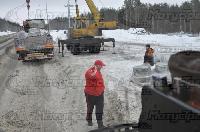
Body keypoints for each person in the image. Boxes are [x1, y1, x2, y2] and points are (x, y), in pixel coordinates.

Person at [84, 60, 106, 128]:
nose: (102, 67)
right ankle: (89, 119)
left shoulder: (97, 71)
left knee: (100, 109)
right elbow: (89, 75)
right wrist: (95, 70)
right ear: (97, 65)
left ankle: (100, 124)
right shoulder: (91, 71)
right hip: (91, 94)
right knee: (90, 108)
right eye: (101, 65)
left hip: (99, 94)